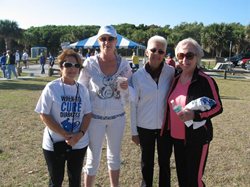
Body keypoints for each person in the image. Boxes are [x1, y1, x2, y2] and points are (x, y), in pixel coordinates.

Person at [161, 38, 223, 187]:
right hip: (176, 138)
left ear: (197, 57)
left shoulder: (205, 80)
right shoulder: (175, 79)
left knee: (194, 181)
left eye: (189, 55)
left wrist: (195, 115)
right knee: (182, 179)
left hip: (197, 138)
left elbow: (218, 107)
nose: (184, 60)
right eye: (180, 56)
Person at [78, 25, 132, 187]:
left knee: (114, 156)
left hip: (117, 118)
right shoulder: (89, 63)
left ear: (116, 41)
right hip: (94, 118)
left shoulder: (124, 65)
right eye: (103, 39)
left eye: (110, 39)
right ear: (98, 41)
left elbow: (132, 94)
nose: (106, 42)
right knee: (92, 157)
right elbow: (81, 90)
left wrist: (126, 88)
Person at [35, 49, 92, 187]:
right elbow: (44, 114)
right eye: (68, 65)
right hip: (54, 143)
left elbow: (87, 114)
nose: (72, 69)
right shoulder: (52, 87)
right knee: (56, 180)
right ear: (61, 67)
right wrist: (64, 134)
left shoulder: (83, 90)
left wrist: (79, 135)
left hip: (79, 143)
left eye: (76, 65)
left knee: (75, 180)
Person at [130, 35, 175, 187]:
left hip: (165, 127)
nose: (157, 54)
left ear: (165, 53)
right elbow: (133, 105)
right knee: (146, 163)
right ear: (147, 52)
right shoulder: (137, 76)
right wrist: (134, 132)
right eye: (153, 50)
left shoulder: (172, 72)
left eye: (161, 51)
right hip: (144, 127)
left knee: (164, 163)